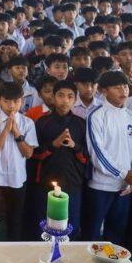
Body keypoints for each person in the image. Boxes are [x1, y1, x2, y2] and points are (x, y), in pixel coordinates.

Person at [84, 71, 132, 244]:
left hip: (126, 186)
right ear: (104, 91)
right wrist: (124, 173)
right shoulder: (96, 115)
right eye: (116, 87)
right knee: (93, 231)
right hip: (101, 185)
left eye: (125, 86)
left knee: (116, 232)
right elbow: (97, 152)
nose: (123, 91)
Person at [31, 80, 88, 240]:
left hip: (73, 182)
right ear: (53, 97)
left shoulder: (80, 124)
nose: (65, 100)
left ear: (75, 100)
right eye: (61, 96)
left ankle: (67, 260)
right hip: (46, 182)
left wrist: (74, 145)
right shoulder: (43, 122)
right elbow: (33, 154)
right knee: (43, 225)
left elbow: (87, 156)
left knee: (72, 226)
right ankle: (43, 259)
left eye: (70, 96)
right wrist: (53, 144)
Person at [0, 82, 37, 241]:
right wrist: (6, 131)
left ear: (21, 101)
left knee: (16, 219)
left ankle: (13, 255)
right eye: (6, 101)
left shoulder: (27, 123)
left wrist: (17, 133)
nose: (11, 106)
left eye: (16, 101)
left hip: (17, 178)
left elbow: (28, 154)